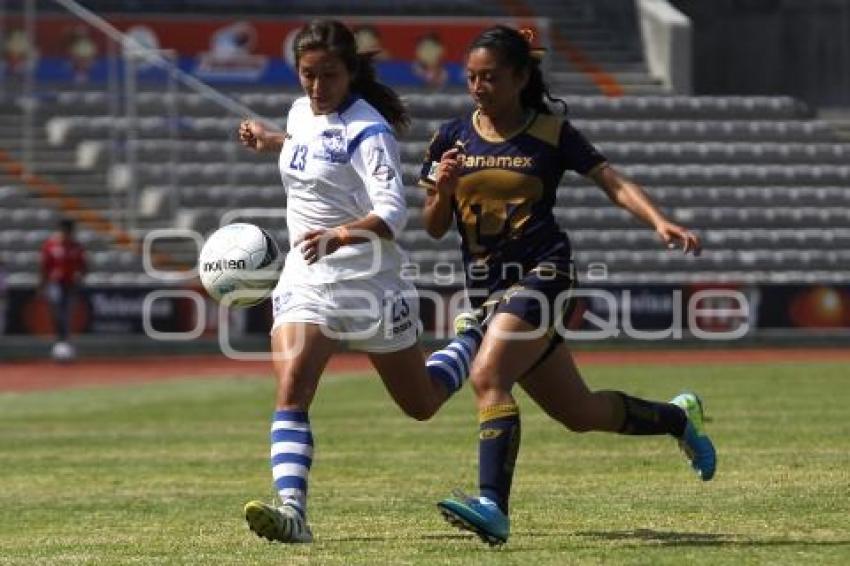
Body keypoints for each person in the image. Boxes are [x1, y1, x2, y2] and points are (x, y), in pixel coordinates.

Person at [419, 26, 716, 546]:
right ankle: (677, 418)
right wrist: (441, 191)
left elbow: (611, 180)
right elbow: (434, 226)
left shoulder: (552, 131)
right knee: (579, 413)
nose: (478, 86)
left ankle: (493, 506)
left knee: (487, 375)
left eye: (489, 77)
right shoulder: (450, 135)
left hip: (546, 274)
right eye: (471, 77)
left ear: (520, 77)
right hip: (487, 292)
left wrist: (659, 221)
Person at [236, 19, 484, 544]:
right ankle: (293, 512)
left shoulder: (370, 131)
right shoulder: (301, 111)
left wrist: (340, 235)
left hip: (371, 282)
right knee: (292, 387)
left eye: (328, 75)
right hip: (308, 276)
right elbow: (310, 145)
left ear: (349, 72)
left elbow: (393, 215)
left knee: (420, 404)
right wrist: (271, 140)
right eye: (308, 75)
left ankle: (471, 338)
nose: (317, 87)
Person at [40, 218, 86, 360]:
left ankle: (63, 341)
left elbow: (83, 265)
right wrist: (42, 284)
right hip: (55, 282)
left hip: (70, 283)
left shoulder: (76, 247)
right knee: (57, 310)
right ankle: (62, 340)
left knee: (66, 313)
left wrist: (81, 276)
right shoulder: (51, 245)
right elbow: (44, 266)